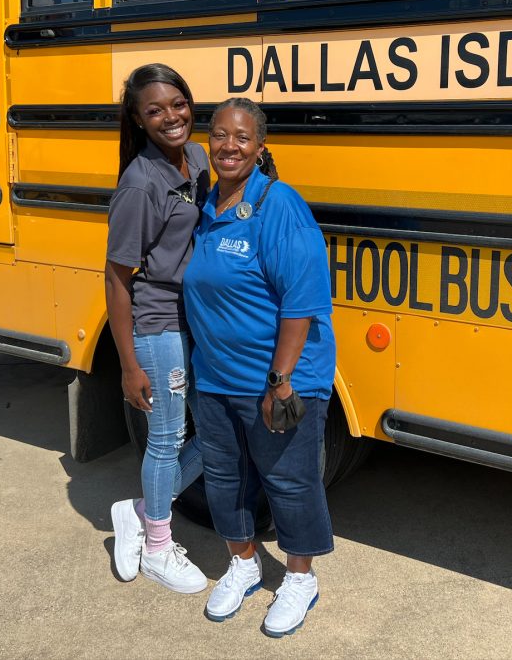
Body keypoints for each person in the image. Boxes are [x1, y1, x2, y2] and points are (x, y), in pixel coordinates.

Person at [183, 98, 336, 637]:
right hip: (217, 378)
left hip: (278, 381)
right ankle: (244, 564)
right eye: (220, 135)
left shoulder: (279, 206)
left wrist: (280, 380)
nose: (229, 146)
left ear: (260, 147)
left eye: (242, 138)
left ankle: (299, 578)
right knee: (224, 480)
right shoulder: (208, 206)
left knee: (288, 482)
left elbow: (303, 299)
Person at [105, 64, 210, 594]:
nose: (171, 117)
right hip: (157, 326)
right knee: (168, 439)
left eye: (178, 104)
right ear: (138, 121)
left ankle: (142, 509)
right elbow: (118, 277)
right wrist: (128, 364)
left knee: (213, 434)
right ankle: (157, 547)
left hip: (195, 319)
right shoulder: (139, 184)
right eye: (155, 111)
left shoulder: (195, 159)